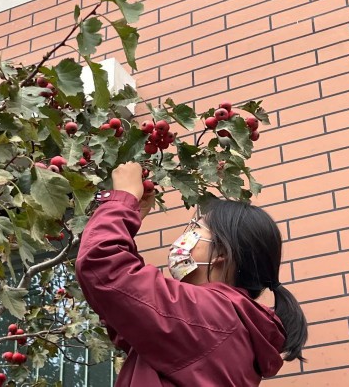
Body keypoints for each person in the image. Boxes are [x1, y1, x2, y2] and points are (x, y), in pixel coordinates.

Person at [75, 162, 308, 386]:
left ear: (222, 253)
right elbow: (127, 312)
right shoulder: (229, 322)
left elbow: (103, 265)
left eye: (195, 229)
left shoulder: (213, 315)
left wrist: (122, 200)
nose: (184, 238)